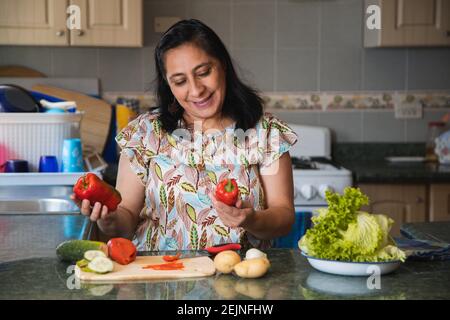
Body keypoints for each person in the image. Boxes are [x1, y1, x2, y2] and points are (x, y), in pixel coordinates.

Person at [71, 19, 298, 251]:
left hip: (240, 278)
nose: (196, 90)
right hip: (158, 278)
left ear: (223, 66)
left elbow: (284, 217)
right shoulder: (144, 133)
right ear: (168, 85)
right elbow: (126, 219)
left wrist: (252, 220)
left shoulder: (266, 132)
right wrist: (109, 220)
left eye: (204, 72)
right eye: (180, 81)